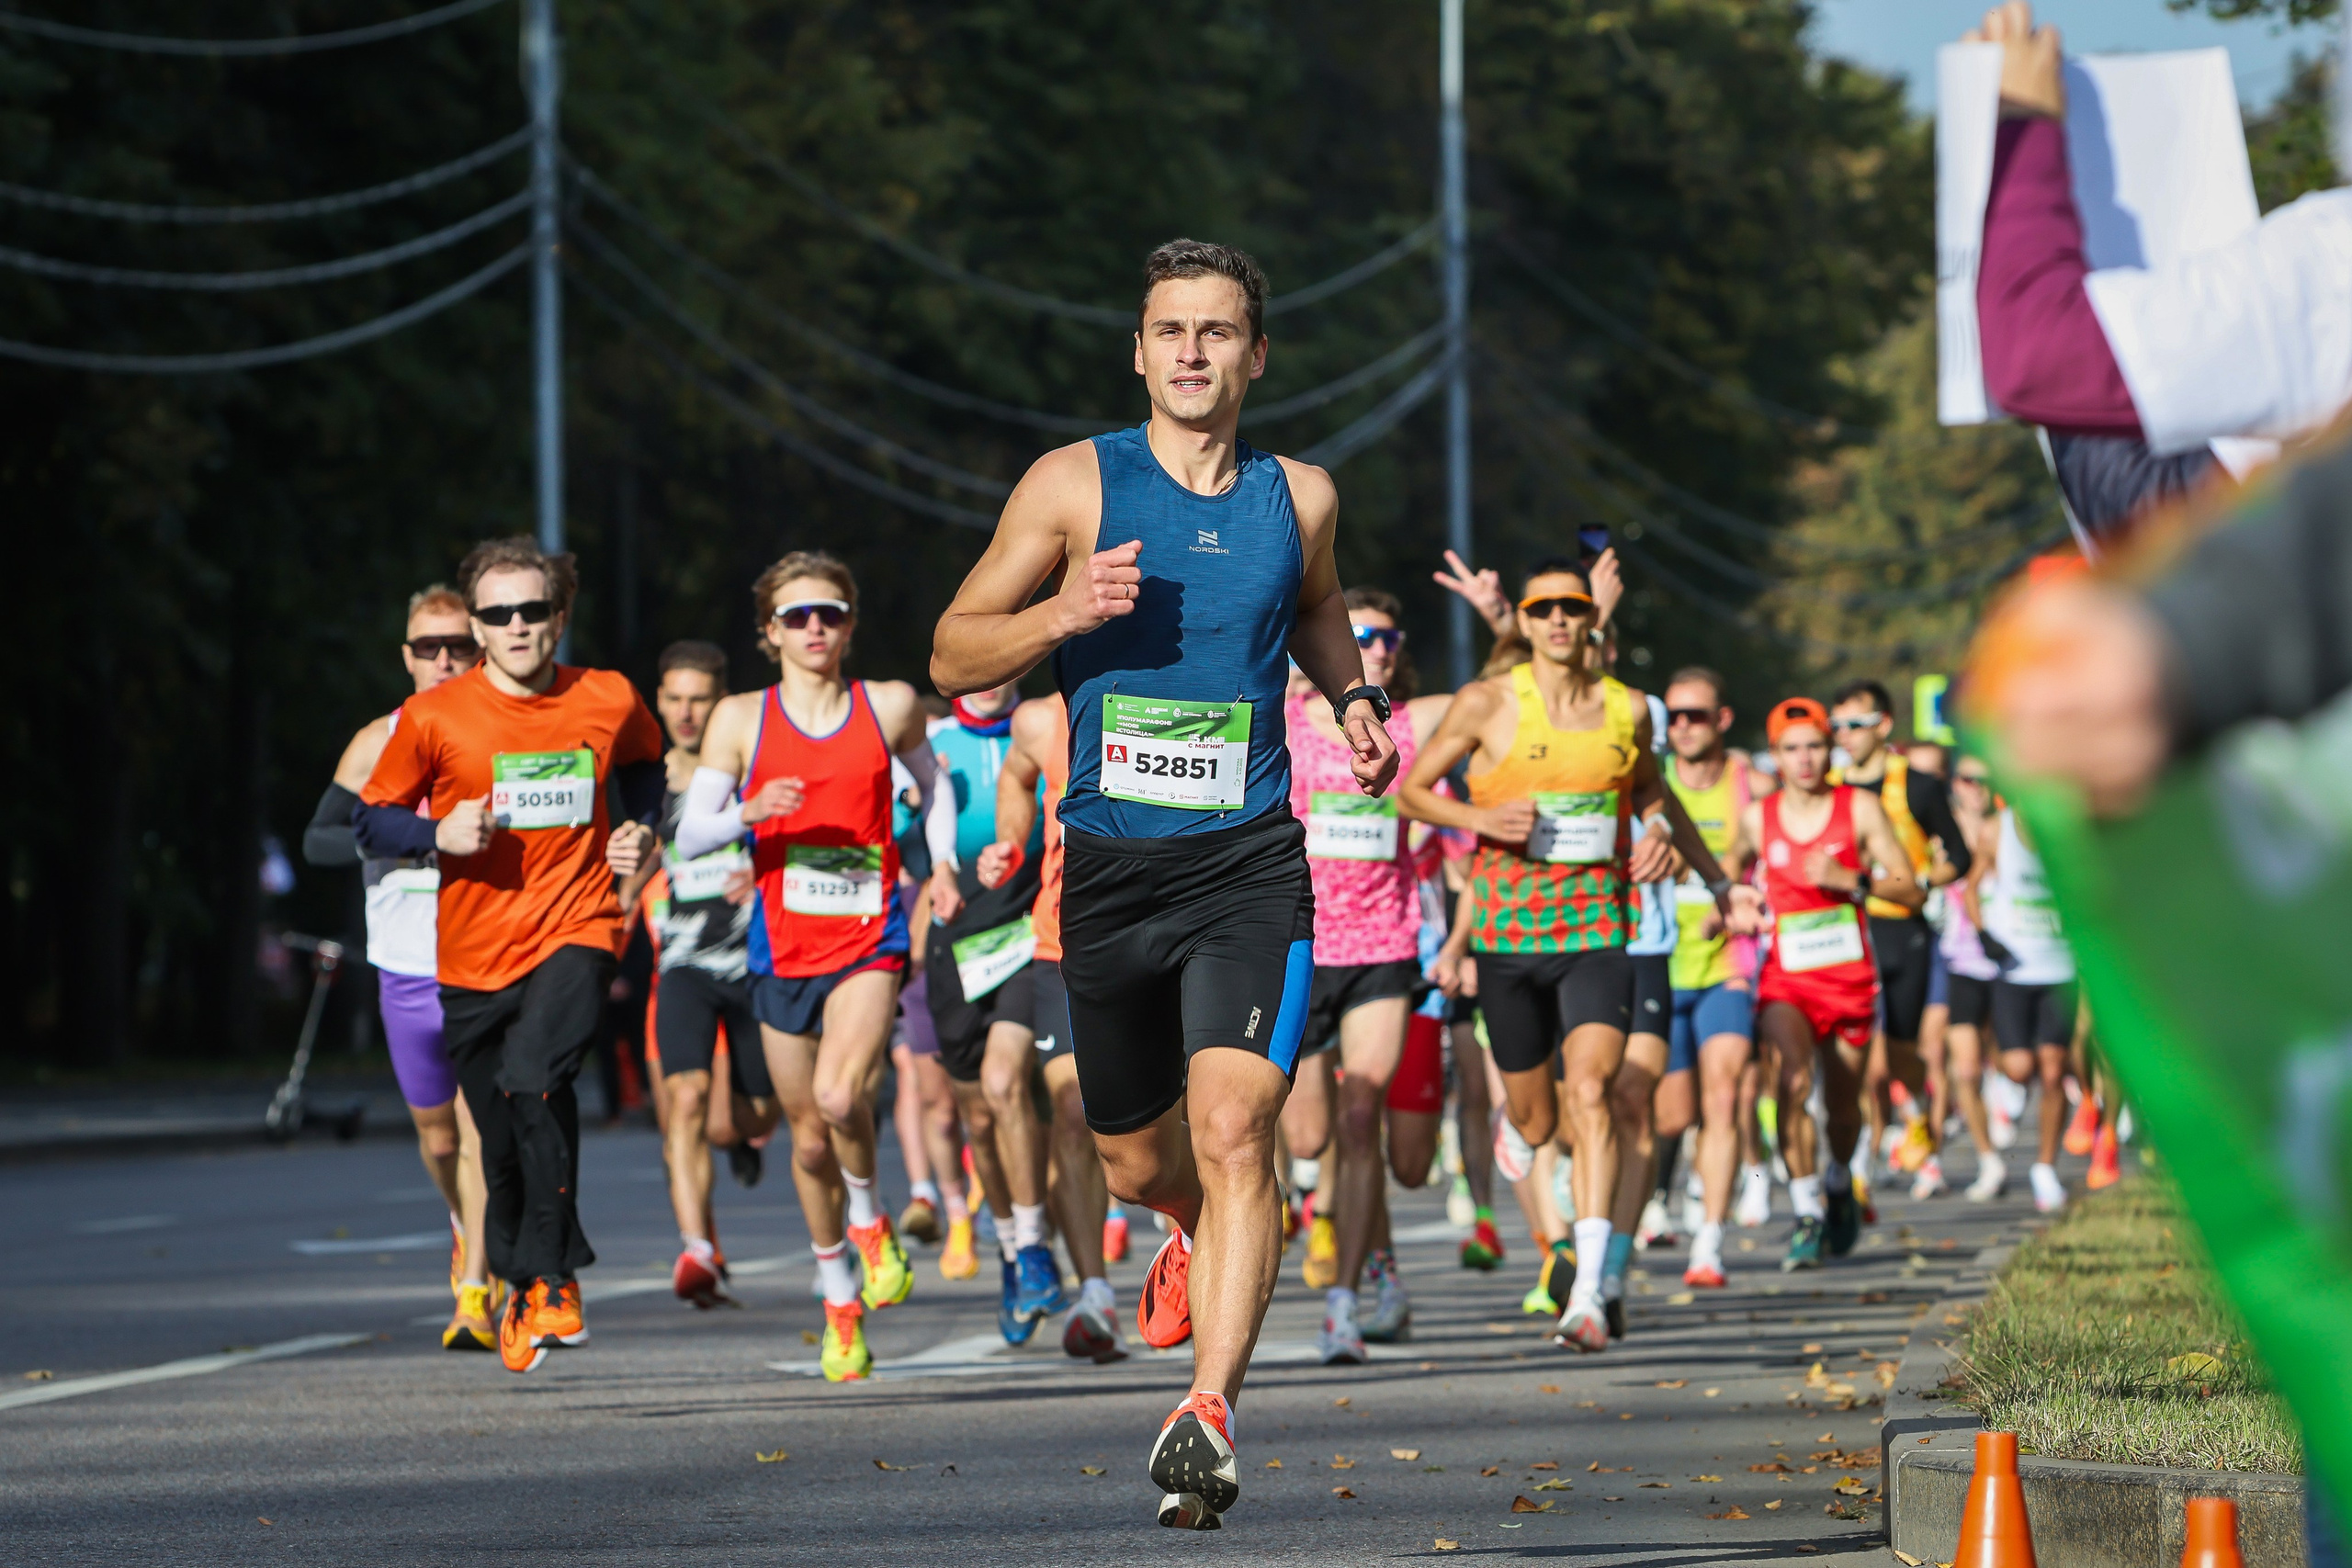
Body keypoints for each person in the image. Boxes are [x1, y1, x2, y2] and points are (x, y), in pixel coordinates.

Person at [929, 238, 1398, 1530]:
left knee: (1241, 1125)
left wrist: (1351, 694)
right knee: (1137, 1160)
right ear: (1139, 350)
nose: (1192, 352)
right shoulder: (1075, 483)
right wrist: (1059, 615)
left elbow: (1311, 609)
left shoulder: (1300, 495)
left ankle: (1208, 1409)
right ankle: (1195, 1226)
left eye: (1218, 330)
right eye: (1169, 331)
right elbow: (953, 649)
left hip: (1248, 860)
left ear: (1256, 352)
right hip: (1113, 872)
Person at [1404, 558, 1733, 1354]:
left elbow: (1654, 794)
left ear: (1592, 620)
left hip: (1597, 932)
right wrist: (1481, 820)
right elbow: (1413, 790)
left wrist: (1702, 867)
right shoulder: (1485, 703)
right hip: (1510, 941)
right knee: (1536, 1115)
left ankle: (1588, 1291)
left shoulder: (1627, 710)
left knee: (1593, 1091)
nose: (1557, 618)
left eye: (1571, 605)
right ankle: (1526, 1137)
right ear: (1522, 619)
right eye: (1542, 606)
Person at [355, 537, 666, 1372]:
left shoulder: (605, 696)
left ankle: (556, 1278)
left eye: (534, 609)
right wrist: (435, 833)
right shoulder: (435, 716)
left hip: (579, 925)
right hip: (472, 955)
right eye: (499, 613)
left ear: (559, 616)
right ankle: (523, 1279)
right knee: (495, 1145)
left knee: (538, 1075)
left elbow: (644, 765)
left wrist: (642, 828)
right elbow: (371, 819)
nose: (519, 625)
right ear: (477, 626)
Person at [674, 550, 951, 1382]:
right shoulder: (739, 719)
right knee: (804, 1141)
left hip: (870, 936)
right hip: (781, 944)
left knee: (841, 1095)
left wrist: (933, 867)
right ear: (771, 632)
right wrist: (747, 813)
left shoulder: (890, 705)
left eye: (829, 612)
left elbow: (932, 783)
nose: (815, 627)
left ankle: (869, 1221)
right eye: (797, 616)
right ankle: (838, 1295)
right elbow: (690, 833)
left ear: (850, 623)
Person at [302, 585, 496, 1350]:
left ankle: (476, 1288)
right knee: (439, 1138)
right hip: (406, 964)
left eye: (457, 645)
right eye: (427, 647)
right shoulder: (375, 741)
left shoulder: (504, 733)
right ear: (406, 656)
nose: (443, 659)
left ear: (480, 648)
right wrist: (419, 837)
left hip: (488, 956)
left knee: (480, 1130)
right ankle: (461, 1221)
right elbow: (319, 838)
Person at [1282, 587, 1449, 1364]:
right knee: (1309, 1132)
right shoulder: (1279, 723)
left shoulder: (1414, 730)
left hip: (1386, 944)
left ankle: (1343, 1303)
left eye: (1385, 636)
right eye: (1357, 636)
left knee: (1359, 1116)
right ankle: (1368, 1247)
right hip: (1297, 943)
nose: (1374, 648)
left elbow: (1512, 689)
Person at [613, 641, 780, 1309]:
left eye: (700, 699)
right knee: (681, 1102)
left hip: (757, 965)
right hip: (680, 966)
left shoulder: (751, 773)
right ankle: (697, 1249)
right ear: (659, 700)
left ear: (721, 702)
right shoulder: (646, 787)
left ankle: (741, 1139)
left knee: (750, 1114)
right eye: (675, 698)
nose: (686, 712)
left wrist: (763, 872)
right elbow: (625, 881)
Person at [1741, 698, 1923, 1273]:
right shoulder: (1757, 817)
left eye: (1815, 746)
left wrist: (1853, 879)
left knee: (1843, 1111)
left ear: (1831, 750)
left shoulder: (1860, 808)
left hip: (1848, 979)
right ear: (1774, 756)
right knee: (1790, 1081)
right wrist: (1733, 904)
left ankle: (1840, 1179)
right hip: (1786, 981)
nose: (1805, 759)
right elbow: (1726, 877)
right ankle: (1805, 1212)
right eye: (1791, 748)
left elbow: (1910, 889)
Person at [982, 690, 1130, 1363]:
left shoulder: (1184, 695)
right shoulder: (1042, 718)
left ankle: (1187, 1251)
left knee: (1179, 1120)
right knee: (1072, 1113)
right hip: (1061, 944)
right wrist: (1010, 841)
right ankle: (1093, 1293)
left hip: (1164, 942)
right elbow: (1016, 774)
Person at [922, 678, 1061, 1345]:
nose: (997, 675)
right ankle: (1010, 1245)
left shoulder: (1039, 727)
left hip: (1026, 926)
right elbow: (891, 828)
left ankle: (1035, 1245)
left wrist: (1013, 849)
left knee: (1007, 1083)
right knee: (976, 1108)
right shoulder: (929, 743)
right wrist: (936, 867)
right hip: (954, 935)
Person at [1826, 680, 1973, 1210]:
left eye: (1856, 726)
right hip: (1845, 932)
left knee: (1903, 1056)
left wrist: (1925, 883)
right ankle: (1858, 1169)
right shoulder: (1827, 785)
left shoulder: (1917, 786)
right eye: (1837, 726)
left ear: (1884, 726)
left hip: (1902, 927)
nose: (1844, 737)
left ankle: (1916, 1115)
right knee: (1863, 1057)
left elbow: (1959, 854)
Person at [1656, 667, 1758, 1290]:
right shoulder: (1652, 782)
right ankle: (1661, 1194)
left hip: (1730, 966)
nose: (1683, 726)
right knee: (1672, 1115)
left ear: (1722, 720)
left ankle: (1710, 1242)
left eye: (1696, 715)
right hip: (1662, 965)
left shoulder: (1751, 785)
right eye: (1674, 715)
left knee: (1723, 1097)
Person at [1972, 795, 2078, 1213]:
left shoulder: (2068, 827)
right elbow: (1970, 890)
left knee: (2053, 1071)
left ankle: (2045, 1168)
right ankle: (2001, 1080)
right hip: (2013, 969)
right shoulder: (1996, 830)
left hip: (2060, 969)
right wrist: (1984, 936)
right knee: (2020, 1067)